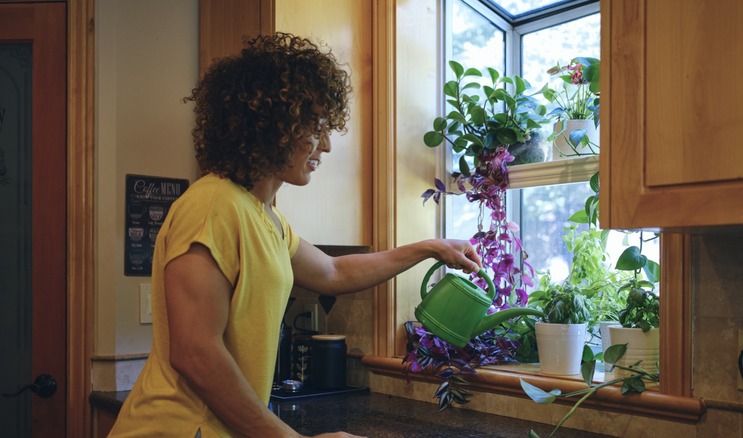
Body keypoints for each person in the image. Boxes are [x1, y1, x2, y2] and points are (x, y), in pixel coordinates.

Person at [108, 32, 480, 438]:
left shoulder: (265, 217)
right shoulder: (214, 206)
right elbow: (195, 352)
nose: (326, 145)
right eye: (315, 127)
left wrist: (430, 247)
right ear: (271, 127)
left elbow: (334, 272)